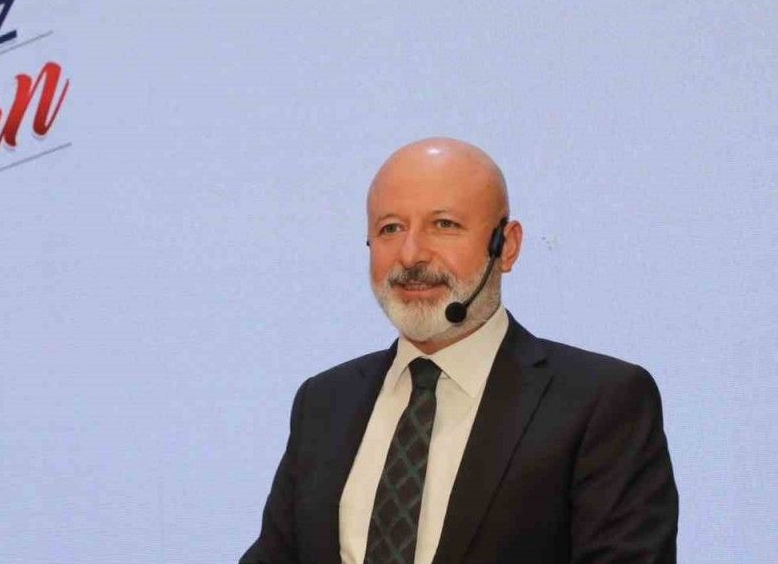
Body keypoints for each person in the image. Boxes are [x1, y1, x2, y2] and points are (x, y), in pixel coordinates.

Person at [240, 137, 677, 564]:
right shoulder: (324, 402)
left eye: (444, 225)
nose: (411, 254)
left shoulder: (601, 401)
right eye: (390, 228)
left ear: (506, 246)